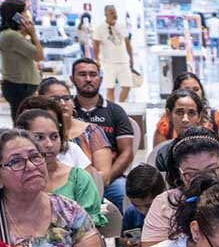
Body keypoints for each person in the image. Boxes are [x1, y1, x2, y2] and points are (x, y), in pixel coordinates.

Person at [15, 106, 106, 227]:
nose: (49, 144)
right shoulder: (10, 176)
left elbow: (89, 230)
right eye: (39, 137)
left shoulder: (79, 178)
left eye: (54, 137)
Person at [70, 58, 135, 211]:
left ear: (100, 78)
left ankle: (126, 234)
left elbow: (127, 152)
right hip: (71, 179)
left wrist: (106, 178)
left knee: (125, 195)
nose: (88, 79)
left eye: (93, 74)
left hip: (111, 179)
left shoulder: (115, 111)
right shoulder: (66, 111)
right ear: (72, 79)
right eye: (82, 74)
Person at [37, 77, 113, 184]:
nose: (63, 103)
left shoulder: (91, 131)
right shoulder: (31, 135)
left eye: (66, 98)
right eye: (55, 99)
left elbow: (104, 175)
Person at [153, 73, 219, 164]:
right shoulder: (165, 124)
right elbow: (156, 157)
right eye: (186, 90)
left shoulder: (217, 118)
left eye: (196, 89)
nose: (185, 119)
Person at [0, 0, 43, 120]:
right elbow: (39, 56)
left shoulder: (9, 34)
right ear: (16, 15)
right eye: (24, 12)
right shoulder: (11, 35)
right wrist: (33, 34)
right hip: (20, 87)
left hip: (19, 86)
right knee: (24, 122)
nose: (27, 15)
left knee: (22, 119)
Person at [92, 5, 134, 103]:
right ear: (106, 15)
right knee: (110, 88)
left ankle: (120, 106)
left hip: (123, 62)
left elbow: (128, 44)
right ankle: (111, 110)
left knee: (127, 86)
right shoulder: (99, 28)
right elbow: (96, 46)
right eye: (111, 13)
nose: (114, 15)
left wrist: (131, 58)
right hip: (108, 63)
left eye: (115, 12)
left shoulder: (121, 26)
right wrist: (96, 60)